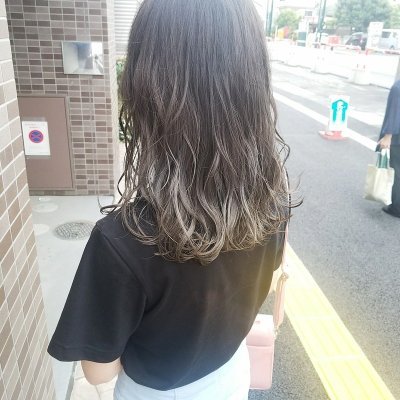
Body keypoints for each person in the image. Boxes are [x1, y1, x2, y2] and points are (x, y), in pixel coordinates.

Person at [47, 0, 294, 398]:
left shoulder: (124, 240)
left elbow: (98, 372)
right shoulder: (271, 198)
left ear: (146, 91)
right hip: (233, 374)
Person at [378, 79, 400, 218]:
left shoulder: (398, 87)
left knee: (396, 171)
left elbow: (394, 113)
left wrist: (387, 136)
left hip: (397, 138)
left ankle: (397, 207)